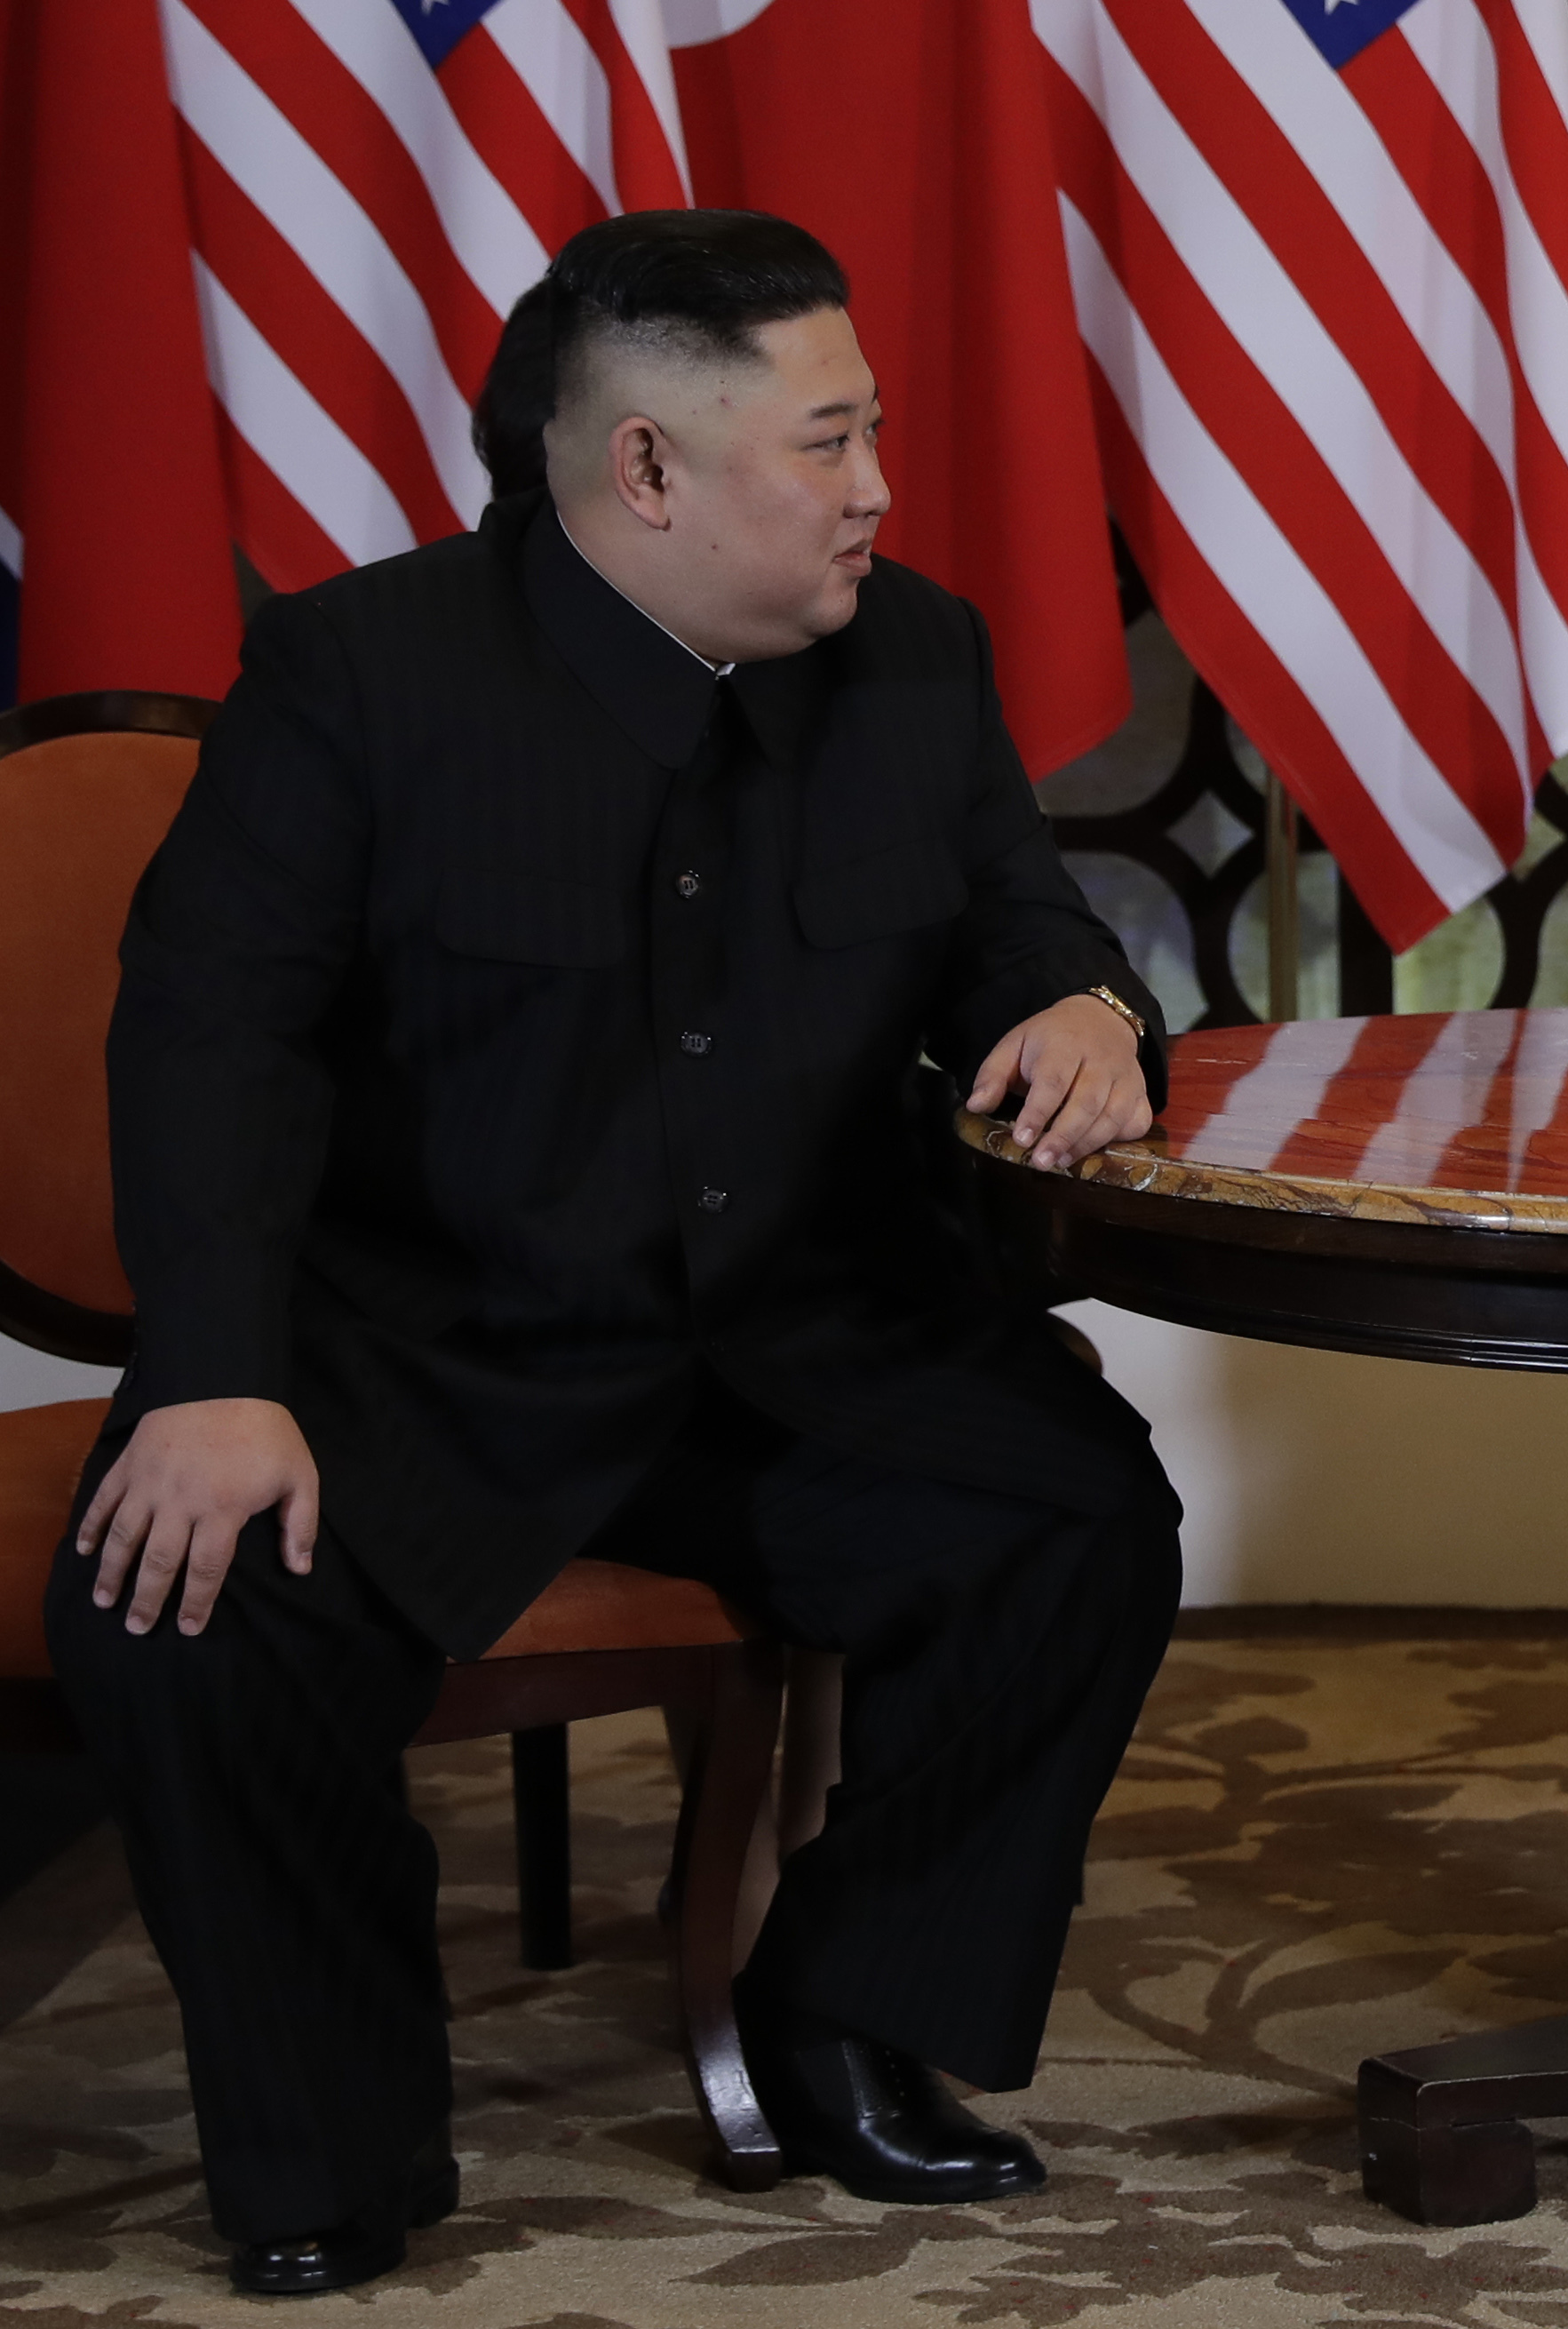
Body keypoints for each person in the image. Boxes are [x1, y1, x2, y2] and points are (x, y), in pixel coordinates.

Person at [51, 211, 1186, 2296]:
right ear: (646, 466)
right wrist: (212, 1373)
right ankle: (334, 2139)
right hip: (444, 1346)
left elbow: (1017, 917)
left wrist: (1087, 1004)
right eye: (828, 443)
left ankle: (847, 2017)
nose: (877, 488)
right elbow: (213, 1035)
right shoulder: (359, 673)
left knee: (1077, 1517)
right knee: (190, 1610)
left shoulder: (916, 655)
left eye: (873, 431)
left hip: (799, 1343)